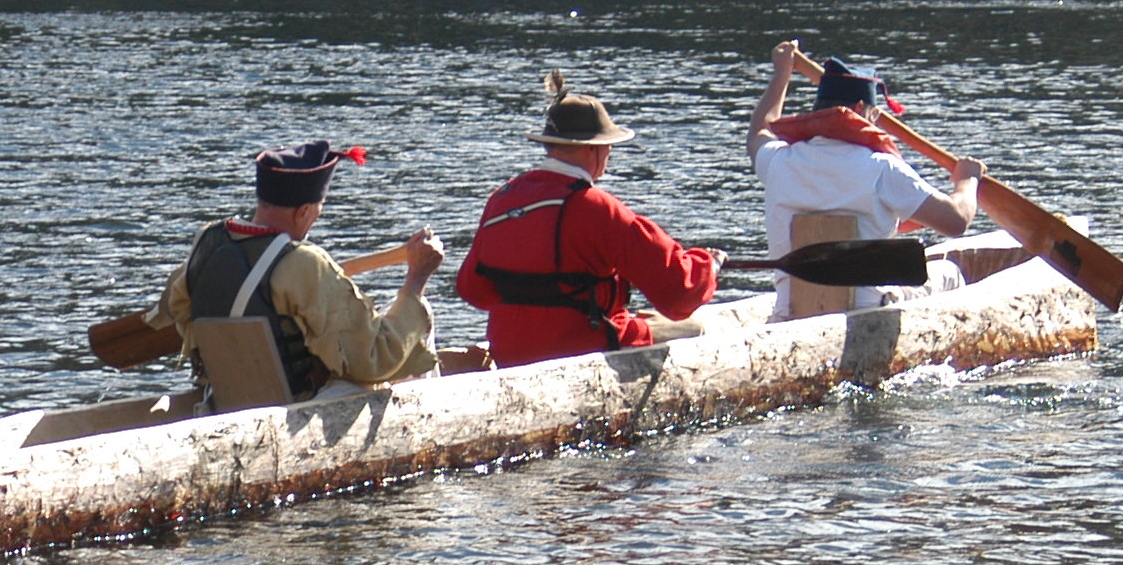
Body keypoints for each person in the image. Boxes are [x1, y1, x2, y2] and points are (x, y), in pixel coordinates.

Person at [144, 139, 444, 404]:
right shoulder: (304, 264)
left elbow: (174, 310)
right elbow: (374, 360)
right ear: (303, 211)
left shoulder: (206, 243)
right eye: (317, 211)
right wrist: (416, 279)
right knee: (415, 313)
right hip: (296, 408)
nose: (314, 220)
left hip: (221, 401)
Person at [455, 83, 721, 368]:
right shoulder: (597, 207)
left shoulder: (503, 198)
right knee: (695, 327)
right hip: (586, 346)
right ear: (590, 149)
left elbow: (473, 290)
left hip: (510, 350)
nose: (608, 154)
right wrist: (711, 265)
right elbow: (679, 292)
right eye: (608, 146)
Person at [744, 41, 981, 316]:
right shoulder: (883, 169)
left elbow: (759, 131)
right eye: (875, 114)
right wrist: (967, 180)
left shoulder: (778, 161)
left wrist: (781, 73)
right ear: (860, 110)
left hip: (790, 312)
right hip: (866, 313)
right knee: (949, 273)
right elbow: (956, 221)